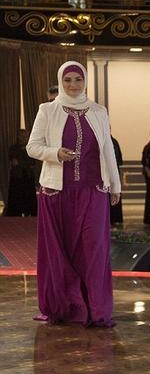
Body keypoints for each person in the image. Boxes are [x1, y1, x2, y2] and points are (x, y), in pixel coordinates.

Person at [26, 61, 121, 327]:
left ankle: (95, 309)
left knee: (94, 251)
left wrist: (115, 185)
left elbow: (108, 151)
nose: (73, 85)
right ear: (61, 81)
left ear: (85, 81)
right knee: (60, 252)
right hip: (57, 193)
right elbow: (32, 147)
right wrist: (55, 153)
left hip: (93, 192)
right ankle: (64, 306)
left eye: (77, 79)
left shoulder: (99, 111)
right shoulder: (48, 110)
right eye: (67, 80)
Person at [5, 129, 38, 216]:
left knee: (29, 198)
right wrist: (25, 163)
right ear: (18, 137)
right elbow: (14, 162)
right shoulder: (13, 148)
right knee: (16, 198)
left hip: (28, 177)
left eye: (25, 136)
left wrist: (21, 163)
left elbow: (33, 163)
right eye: (21, 136)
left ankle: (29, 213)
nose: (23, 138)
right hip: (16, 177)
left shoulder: (31, 148)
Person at [109, 134, 123, 224]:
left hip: (114, 172)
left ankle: (116, 219)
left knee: (115, 194)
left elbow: (118, 160)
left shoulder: (114, 142)